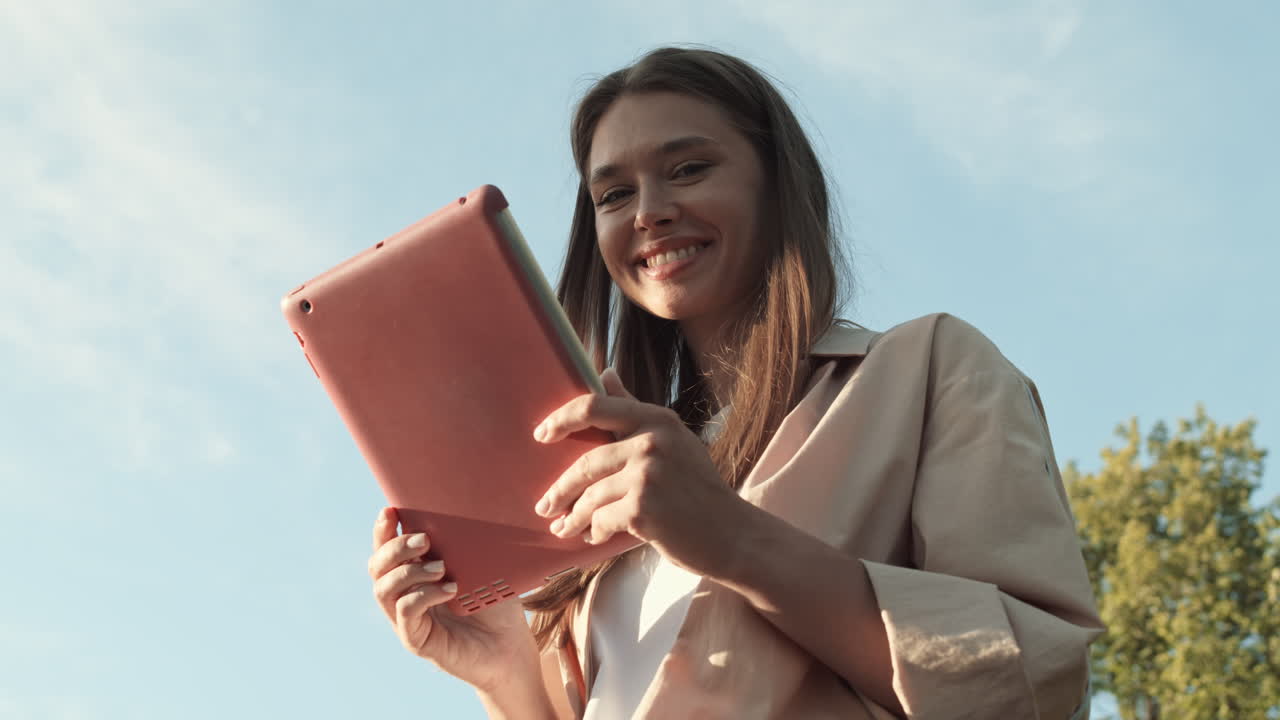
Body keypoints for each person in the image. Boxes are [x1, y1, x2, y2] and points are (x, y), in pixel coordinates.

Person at [367, 46, 1104, 719]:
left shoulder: (932, 367)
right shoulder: (603, 463)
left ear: (776, 186)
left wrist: (730, 537)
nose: (650, 211)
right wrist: (504, 673)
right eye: (614, 194)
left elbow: (1033, 679)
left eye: (688, 169)